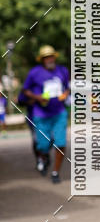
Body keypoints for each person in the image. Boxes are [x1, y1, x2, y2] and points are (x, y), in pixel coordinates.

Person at [22, 44, 70, 183]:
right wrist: (37, 97)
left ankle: (55, 172)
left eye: (51, 56)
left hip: (59, 113)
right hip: (41, 114)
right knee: (43, 145)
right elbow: (25, 90)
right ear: (42, 59)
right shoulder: (34, 72)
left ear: (54, 57)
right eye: (46, 57)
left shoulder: (62, 71)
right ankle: (44, 156)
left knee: (61, 142)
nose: (49, 59)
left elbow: (67, 87)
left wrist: (65, 94)